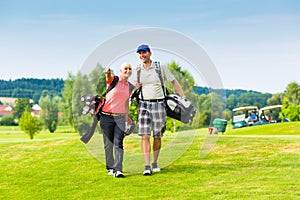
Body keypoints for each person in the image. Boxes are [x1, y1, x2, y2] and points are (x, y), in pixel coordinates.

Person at [134, 44, 185, 176]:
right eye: (139, 53)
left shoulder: (159, 67)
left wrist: (182, 97)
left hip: (159, 104)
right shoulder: (137, 69)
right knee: (145, 136)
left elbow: (174, 81)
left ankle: (155, 162)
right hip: (144, 105)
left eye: (144, 52)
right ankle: (146, 166)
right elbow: (132, 87)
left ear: (150, 53)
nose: (142, 55)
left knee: (157, 135)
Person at [100, 62, 133, 178]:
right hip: (106, 116)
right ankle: (110, 167)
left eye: (130, 69)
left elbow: (126, 104)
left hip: (120, 117)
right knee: (108, 144)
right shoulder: (113, 80)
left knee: (118, 143)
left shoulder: (130, 86)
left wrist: (127, 118)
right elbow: (108, 78)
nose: (127, 70)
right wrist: (107, 73)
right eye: (125, 68)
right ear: (120, 70)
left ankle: (118, 169)